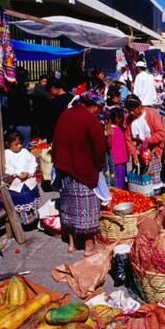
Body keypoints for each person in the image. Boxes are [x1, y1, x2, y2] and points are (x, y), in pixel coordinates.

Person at [52, 91, 107, 256]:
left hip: (64, 168)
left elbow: (56, 141)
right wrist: (99, 165)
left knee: (68, 205)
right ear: (95, 106)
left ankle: (71, 244)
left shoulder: (65, 115)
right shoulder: (91, 120)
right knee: (86, 206)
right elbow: (99, 148)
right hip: (83, 170)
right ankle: (89, 246)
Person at [125, 94, 165, 192]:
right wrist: (134, 156)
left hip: (152, 152)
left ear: (139, 106)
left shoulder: (151, 114)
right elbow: (128, 139)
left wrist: (148, 141)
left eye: (133, 110)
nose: (131, 113)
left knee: (153, 182)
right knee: (141, 182)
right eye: (129, 110)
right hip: (139, 153)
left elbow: (161, 133)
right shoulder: (129, 119)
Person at [5, 131, 41, 229]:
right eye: (17, 144)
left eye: (20, 143)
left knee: (31, 200)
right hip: (17, 184)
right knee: (21, 203)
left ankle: (35, 220)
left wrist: (29, 172)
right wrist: (17, 174)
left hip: (29, 181)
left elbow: (33, 163)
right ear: (8, 144)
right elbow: (7, 168)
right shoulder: (6, 154)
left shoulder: (25, 152)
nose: (20, 145)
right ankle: (25, 223)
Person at [9, 70, 32, 148]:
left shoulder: (11, 89)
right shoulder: (22, 90)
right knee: (24, 147)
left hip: (15, 123)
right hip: (23, 123)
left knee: (14, 146)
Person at [109, 107, 129, 189]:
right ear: (117, 118)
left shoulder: (117, 128)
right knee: (119, 181)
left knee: (119, 179)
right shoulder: (112, 130)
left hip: (120, 159)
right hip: (118, 160)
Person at [31, 74, 53, 138]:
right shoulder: (39, 88)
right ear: (40, 81)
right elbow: (48, 97)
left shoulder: (41, 88)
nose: (45, 83)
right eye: (43, 81)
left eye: (46, 82)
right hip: (40, 112)